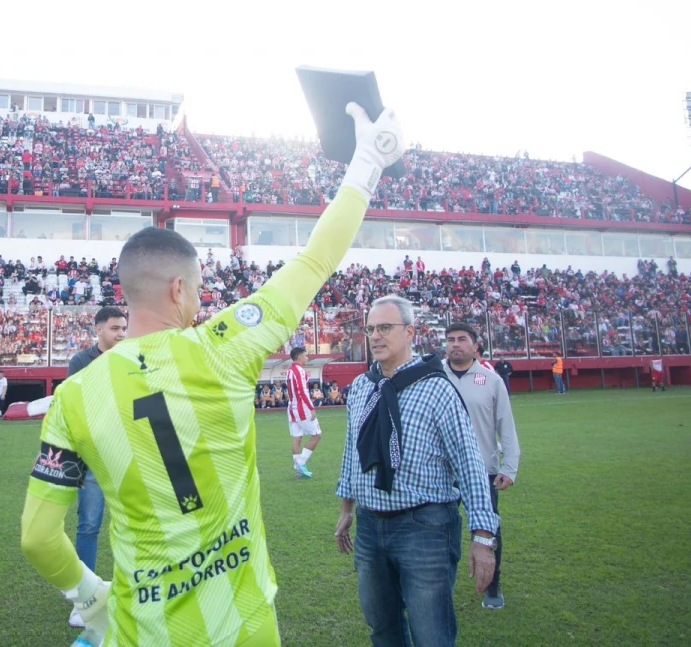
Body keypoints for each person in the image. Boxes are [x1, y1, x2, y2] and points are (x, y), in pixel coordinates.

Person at [21, 102, 408, 646]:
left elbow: (38, 539)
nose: (201, 302)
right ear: (179, 289)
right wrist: (367, 160)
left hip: (143, 632)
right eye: (199, 290)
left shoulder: (75, 395)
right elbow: (317, 260)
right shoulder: (222, 348)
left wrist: (92, 599)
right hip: (243, 625)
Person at [334, 298, 498, 647]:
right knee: (382, 628)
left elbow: (469, 464)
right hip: (369, 527)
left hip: (425, 528)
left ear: (410, 332)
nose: (375, 336)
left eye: (385, 328)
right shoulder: (364, 387)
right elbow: (352, 450)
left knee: (431, 635)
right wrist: (347, 509)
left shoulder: (437, 389)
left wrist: (483, 538)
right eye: (370, 329)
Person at [443, 322, 521, 611]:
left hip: (482, 470)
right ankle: (439, 587)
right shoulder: (433, 376)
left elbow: (507, 427)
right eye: (450, 339)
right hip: (441, 471)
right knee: (438, 531)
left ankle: (493, 584)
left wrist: (509, 468)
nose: (455, 345)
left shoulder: (491, 380)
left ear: (475, 345)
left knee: (488, 531)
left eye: (462, 339)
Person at [60, 306, 128, 629]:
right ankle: (83, 597)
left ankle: (135, 590)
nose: (121, 334)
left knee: (135, 523)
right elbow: (76, 407)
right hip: (92, 459)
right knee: (89, 524)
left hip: (126, 456)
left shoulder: (129, 357)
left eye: (124, 328)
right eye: (115, 328)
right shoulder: (80, 362)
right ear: (98, 330)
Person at [286, 346, 320, 479]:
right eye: (306, 355)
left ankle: (298, 470)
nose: (307, 358)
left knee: (297, 439)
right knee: (316, 435)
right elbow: (302, 391)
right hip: (301, 408)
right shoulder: (299, 370)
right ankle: (301, 464)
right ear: (299, 356)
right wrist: (311, 408)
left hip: (292, 408)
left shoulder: (290, 371)